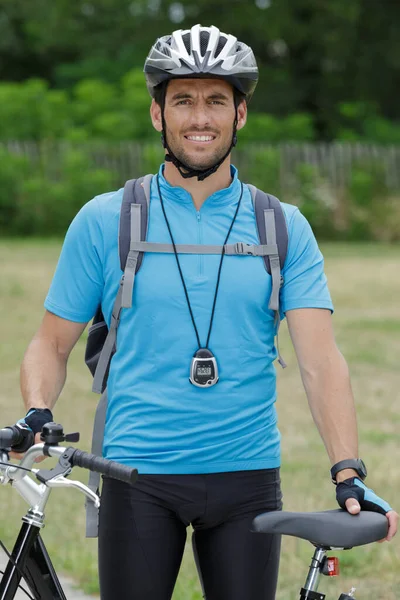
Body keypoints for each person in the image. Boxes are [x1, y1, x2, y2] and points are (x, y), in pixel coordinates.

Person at [17, 24, 397, 600]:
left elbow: (321, 362)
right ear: (157, 114)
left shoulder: (282, 227)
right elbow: (51, 344)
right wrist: (38, 409)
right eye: (184, 100)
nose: (201, 117)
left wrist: (348, 469)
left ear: (240, 115)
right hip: (136, 474)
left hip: (246, 475)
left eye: (217, 100)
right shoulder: (105, 220)